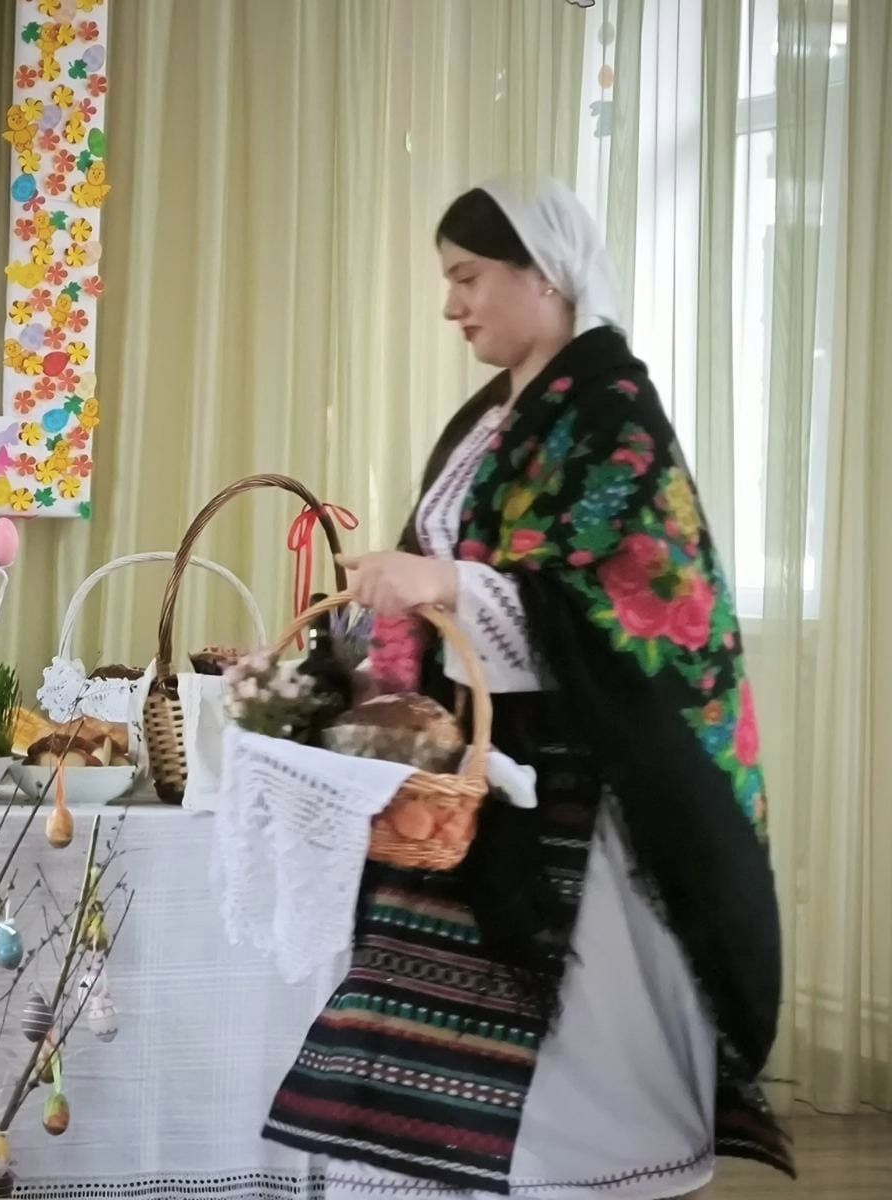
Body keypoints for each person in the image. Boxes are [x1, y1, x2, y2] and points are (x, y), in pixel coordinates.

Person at [263, 179, 792, 1198]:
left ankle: (589, 1178)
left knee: (587, 1051)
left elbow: (620, 599)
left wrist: (444, 583)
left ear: (544, 274)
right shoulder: (498, 413)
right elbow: (457, 560)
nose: (451, 305)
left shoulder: (608, 410)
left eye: (467, 277)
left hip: (585, 775)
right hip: (489, 753)